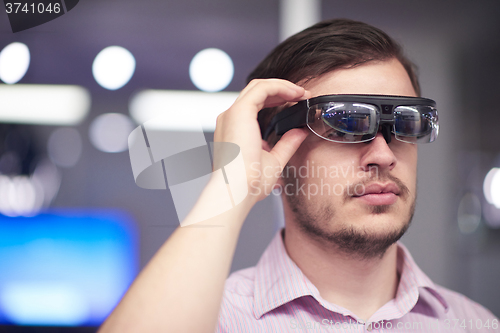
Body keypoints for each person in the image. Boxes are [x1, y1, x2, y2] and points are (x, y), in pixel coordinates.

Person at [99, 19, 498, 333]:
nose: (383, 154)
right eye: (346, 124)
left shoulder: (474, 324)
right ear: (272, 156)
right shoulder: (210, 320)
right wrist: (230, 186)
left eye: (406, 125)